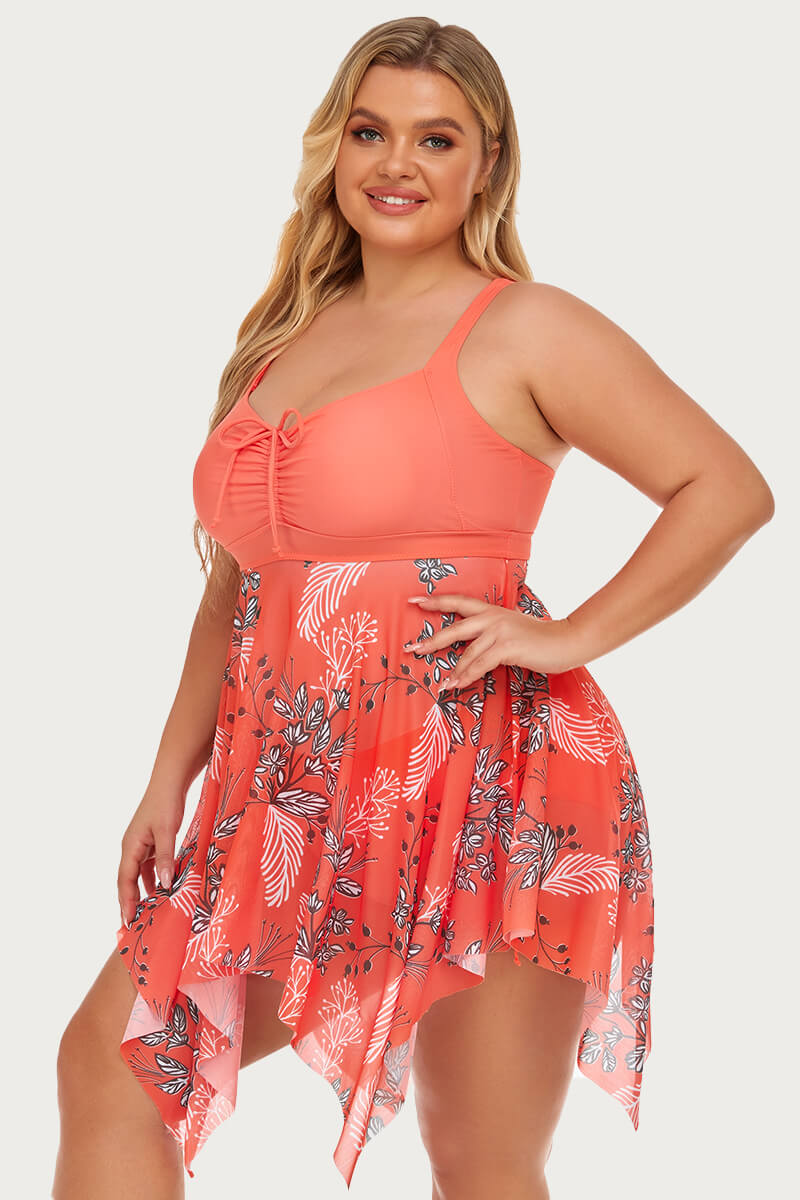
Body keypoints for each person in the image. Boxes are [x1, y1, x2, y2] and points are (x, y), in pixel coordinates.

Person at [53, 16, 774, 1200]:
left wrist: (568, 635)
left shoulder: (523, 325)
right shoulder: (285, 336)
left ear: (487, 163)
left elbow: (725, 488)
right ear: (333, 148)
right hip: (283, 792)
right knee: (110, 1066)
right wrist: (166, 779)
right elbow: (238, 582)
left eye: (435, 139)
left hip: (484, 780)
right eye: (369, 131)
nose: (396, 164)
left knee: (477, 1158)